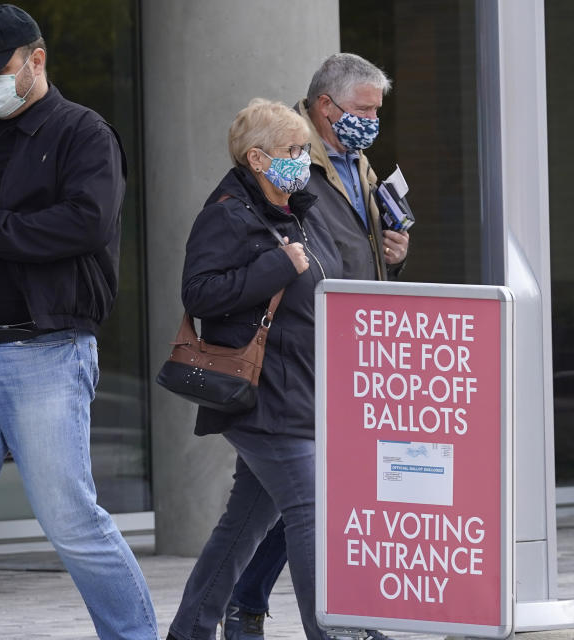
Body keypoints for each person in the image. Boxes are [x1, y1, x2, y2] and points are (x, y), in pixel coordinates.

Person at [0, 5, 157, 639]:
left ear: (36, 61)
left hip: (46, 352)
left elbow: (86, 224)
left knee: (69, 518)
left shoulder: (83, 133)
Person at [222, 52, 409, 640]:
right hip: (302, 349)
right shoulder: (292, 157)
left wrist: (392, 258)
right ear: (325, 107)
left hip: (358, 340)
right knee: (307, 494)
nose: (371, 121)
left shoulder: (359, 162)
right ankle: (320, 618)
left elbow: (357, 248)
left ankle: (241, 602)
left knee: (301, 494)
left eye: (376, 110)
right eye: (362, 110)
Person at [165, 98, 343, 640]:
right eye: (294, 150)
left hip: (302, 389)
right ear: (259, 159)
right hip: (263, 395)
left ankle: (190, 629)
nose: (304, 160)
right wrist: (274, 266)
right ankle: (330, 632)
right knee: (312, 514)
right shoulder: (226, 214)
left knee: (245, 521)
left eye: (306, 150)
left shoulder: (298, 210)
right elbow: (199, 293)